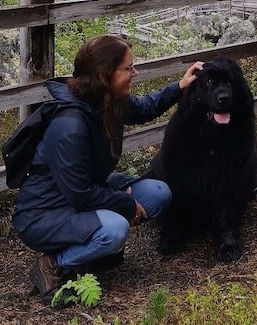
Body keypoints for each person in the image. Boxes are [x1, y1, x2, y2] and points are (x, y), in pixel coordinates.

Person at [12, 33, 202, 299]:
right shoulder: (69, 126)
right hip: (44, 212)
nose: (135, 73)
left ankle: (90, 253)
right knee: (115, 229)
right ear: (103, 75)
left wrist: (179, 86)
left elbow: (144, 108)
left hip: (84, 193)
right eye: (128, 68)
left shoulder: (108, 101)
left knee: (157, 193)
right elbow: (80, 194)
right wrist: (123, 203)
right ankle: (53, 263)